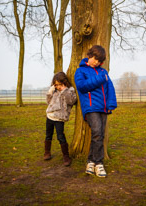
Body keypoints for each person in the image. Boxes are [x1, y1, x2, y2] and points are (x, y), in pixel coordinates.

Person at [74, 45, 117, 177]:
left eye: (99, 61)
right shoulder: (80, 71)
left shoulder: (103, 72)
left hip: (103, 108)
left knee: (99, 135)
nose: (97, 62)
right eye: (95, 59)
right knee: (97, 132)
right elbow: (82, 87)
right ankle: (99, 163)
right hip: (91, 107)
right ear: (90, 56)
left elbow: (110, 88)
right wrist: (99, 80)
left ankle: (91, 161)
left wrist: (111, 104)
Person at [44, 72, 77, 166]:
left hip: (60, 118)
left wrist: (64, 90)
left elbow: (71, 101)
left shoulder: (69, 90)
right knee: (48, 135)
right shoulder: (54, 90)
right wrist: (50, 92)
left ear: (65, 82)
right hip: (50, 116)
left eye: (60, 84)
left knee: (60, 136)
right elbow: (48, 102)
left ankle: (66, 156)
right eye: (56, 85)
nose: (58, 87)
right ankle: (47, 152)